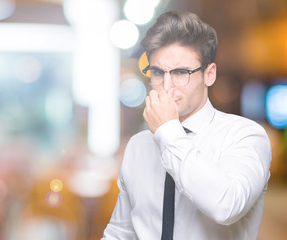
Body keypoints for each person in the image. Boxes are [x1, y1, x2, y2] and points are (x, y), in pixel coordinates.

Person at [101, 10, 271, 240]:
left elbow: (226, 206)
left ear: (209, 74)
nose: (167, 86)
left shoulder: (245, 136)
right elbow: (120, 232)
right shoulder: (138, 145)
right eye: (158, 72)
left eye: (181, 72)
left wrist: (168, 131)